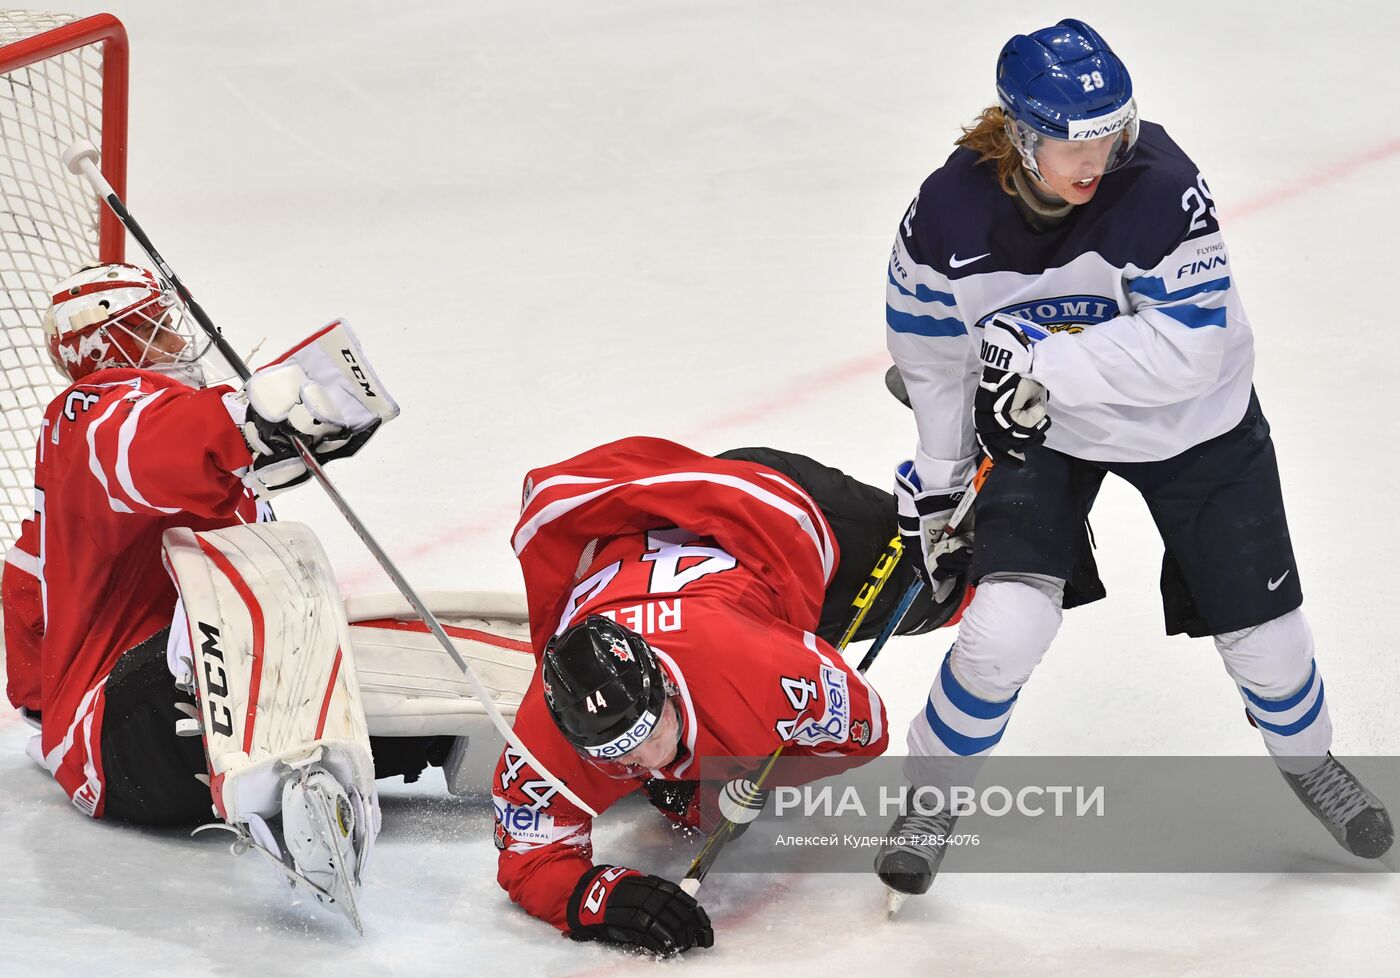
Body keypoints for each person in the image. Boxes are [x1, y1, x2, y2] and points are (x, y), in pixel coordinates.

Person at [877, 19, 1393, 900]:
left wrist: (1034, 362)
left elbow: (1187, 351)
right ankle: (930, 795)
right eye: (1076, 141)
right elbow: (928, 350)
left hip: (1194, 424)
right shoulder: (945, 214)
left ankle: (1310, 763)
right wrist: (940, 475)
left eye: (1111, 132)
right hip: (1051, 429)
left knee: (1267, 647)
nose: (1098, 157)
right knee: (1007, 625)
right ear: (1019, 134)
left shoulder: (1161, 188)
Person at [1, 262, 458, 927]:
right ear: (105, 348)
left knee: (360, 662)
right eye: (149, 327)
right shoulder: (95, 410)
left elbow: (22, 591)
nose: (170, 338)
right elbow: (150, 448)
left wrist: (291, 436)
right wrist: (239, 421)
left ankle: (419, 749)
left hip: (138, 752)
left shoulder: (93, 458)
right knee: (260, 593)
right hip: (134, 728)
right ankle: (284, 791)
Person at [491, 437, 937, 956]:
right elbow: (530, 859)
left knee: (965, 579)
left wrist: (750, 769)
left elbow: (866, 733)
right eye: (612, 755)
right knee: (697, 804)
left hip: (784, 509)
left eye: (645, 737)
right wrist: (605, 899)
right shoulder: (546, 733)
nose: (635, 764)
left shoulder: (764, 673)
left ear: (672, 693)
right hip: (647, 526)